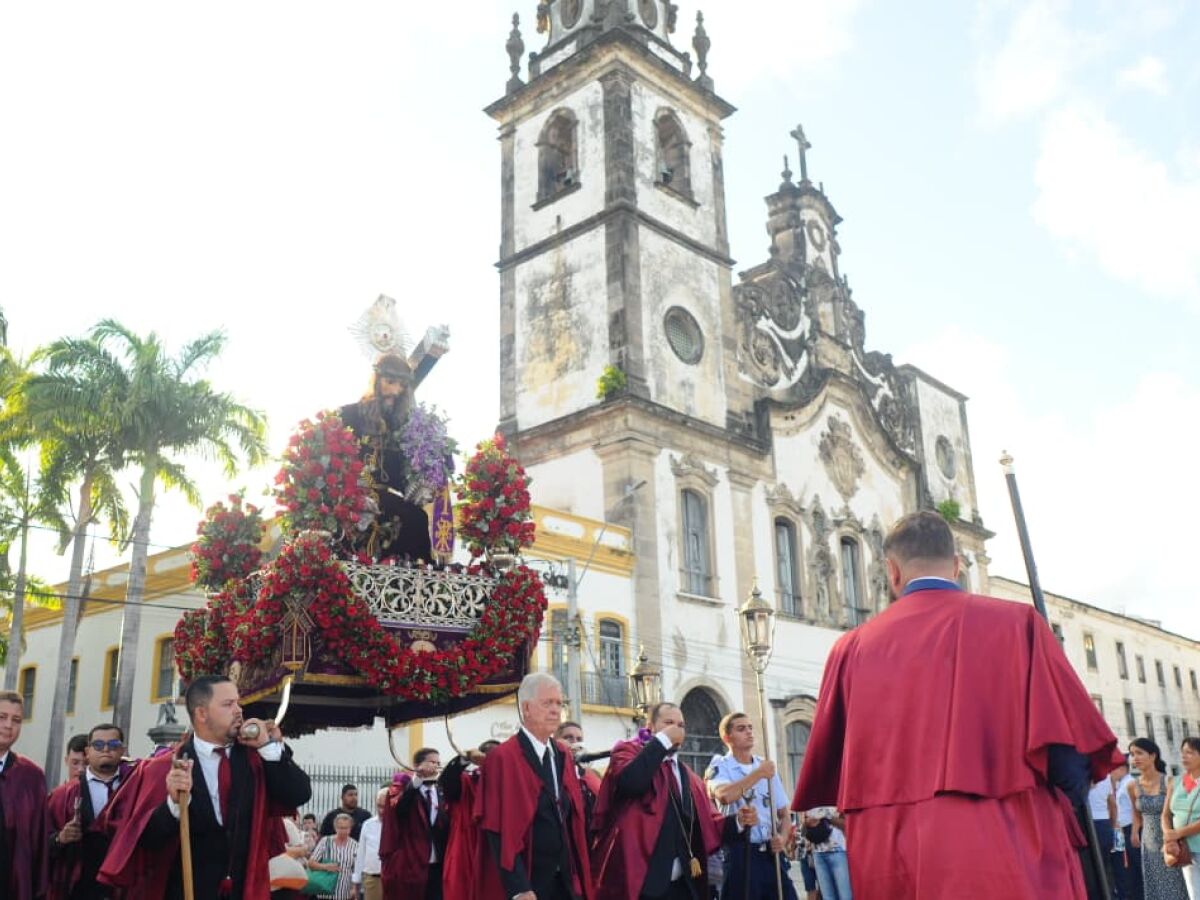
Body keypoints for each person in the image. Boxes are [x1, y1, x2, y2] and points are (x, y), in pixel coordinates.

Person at [793, 511, 1122, 900]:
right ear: (957, 565)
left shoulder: (849, 649)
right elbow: (1068, 758)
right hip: (1007, 846)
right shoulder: (1019, 624)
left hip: (891, 860)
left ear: (892, 571)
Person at [98, 674, 313, 899]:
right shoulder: (163, 769)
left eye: (238, 703)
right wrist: (173, 804)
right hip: (188, 891)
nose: (239, 710)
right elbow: (146, 841)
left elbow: (299, 794)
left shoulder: (256, 760)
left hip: (245, 889)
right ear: (202, 713)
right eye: (228, 704)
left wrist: (269, 747)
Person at [592, 701, 742, 900]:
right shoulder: (627, 751)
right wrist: (662, 742)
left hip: (682, 883)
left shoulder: (685, 773)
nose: (676, 729)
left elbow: (707, 823)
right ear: (651, 727)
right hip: (641, 882)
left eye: (680, 725)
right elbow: (631, 783)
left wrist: (739, 821)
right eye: (668, 723)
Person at [478, 672, 593, 900]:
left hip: (565, 881)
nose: (555, 710)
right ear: (527, 708)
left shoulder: (562, 755)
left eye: (559, 703)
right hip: (529, 881)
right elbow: (496, 828)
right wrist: (518, 888)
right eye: (547, 703)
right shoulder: (502, 757)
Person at [339, 353, 433, 563]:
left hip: (387, 498)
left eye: (401, 385)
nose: (395, 391)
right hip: (351, 496)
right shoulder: (348, 415)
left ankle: (413, 583)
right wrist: (354, 495)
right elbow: (336, 464)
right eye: (390, 382)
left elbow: (404, 474)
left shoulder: (403, 427)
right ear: (376, 380)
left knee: (417, 518)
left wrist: (420, 487)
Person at [705, 712, 796, 900]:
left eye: (750, 727)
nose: (748, 732)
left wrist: (783, 836)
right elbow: (725, 795)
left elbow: (784, 814)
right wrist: (758, 775)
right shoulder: (721, 765)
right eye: (741, 729)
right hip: (741, 852)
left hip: (770, 854)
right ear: (726, 737)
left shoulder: (766, 766)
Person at [47, 722, 134, 900]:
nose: (106, 749)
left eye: (113, 745)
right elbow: (40, 843)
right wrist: (60, 838)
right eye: (98, 745)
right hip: (78, 886)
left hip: (122, 887)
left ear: (122, 751)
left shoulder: (134, 788)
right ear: (88, 752)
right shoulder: (62, 795)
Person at [380, 748, 448, 900]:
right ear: (417, 765)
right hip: (411, 865)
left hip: (438, 864)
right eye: (432, 762)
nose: (436, 767)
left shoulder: (441, 789)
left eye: (438, 763)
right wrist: (418, 777)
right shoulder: (402, 786)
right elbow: (399, 810)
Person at [0, 689, 49, 899]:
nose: (9, 725)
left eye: (16, 720)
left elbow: (40, 842)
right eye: (2, 717)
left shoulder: (31, 776)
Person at [439, 741, 502, 900]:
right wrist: (465, 758)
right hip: (467, 850)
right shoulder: (467, 782)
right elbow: (447, 782)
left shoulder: (510, 783)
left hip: (497, 851)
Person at [1127, 738, 1187, 900]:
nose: (1135, 758)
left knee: (1177, 884)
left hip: (1171, 839)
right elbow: (1136, 813)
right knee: (1154, 885)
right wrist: (1134, 833)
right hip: (1148, 842)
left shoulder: (1169, 782)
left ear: (1153, 756)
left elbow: (1178, 812)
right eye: (1132, 754)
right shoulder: (1132, 786)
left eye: (1139, 753)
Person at [1163, 737, 1200, 898]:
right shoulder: (1174, 781)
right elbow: (1166, 813)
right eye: (1183, 753)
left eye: (1190, 753)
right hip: (1185, 848)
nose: (1184, 757)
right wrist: (1168, 835)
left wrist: (1179, 832)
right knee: (1195, 894)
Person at [556, 720, 602, 830]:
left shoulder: (593, 775)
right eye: (569, 738)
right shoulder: (552, 775)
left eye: (579, 739)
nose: (575, 742)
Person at [801, 808, 851, 900]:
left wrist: (826, 816)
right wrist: (807, 823)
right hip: (818, 854)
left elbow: (847, 825)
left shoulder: (838, 798)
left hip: (838, 851)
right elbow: (803, 832)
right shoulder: (810, 802)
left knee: (845, 896)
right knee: (828, 897)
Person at [1110, 761, 1142, 900]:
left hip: (1131, 829)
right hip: (1121, 830)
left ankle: (1140, 895)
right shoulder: (1119, 785)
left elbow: (1136, 810)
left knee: (1136, 865)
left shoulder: (1130, 783)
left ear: (1122, 768)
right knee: (1126, 866)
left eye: (1113, 768)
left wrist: (1134, 831)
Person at [310, 813, 358, 900]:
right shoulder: (325, 841)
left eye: (346, 828)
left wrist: (354, 888)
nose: (343, 831)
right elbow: (311, 863)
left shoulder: (355, 845)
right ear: (335, 828)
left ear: (350, 828)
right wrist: (325, 866)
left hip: (344, 894)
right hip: (325, 892)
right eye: (340, 828)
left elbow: (356, 870)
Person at [351, 788, 388, 900]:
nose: (381, 810)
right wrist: (356, 881)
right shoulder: (368, 825)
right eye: (379, 806)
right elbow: (361, 853)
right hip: (372, 879)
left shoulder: (400, 825)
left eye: (384, 806)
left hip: (394, 880)